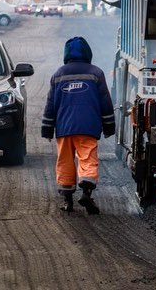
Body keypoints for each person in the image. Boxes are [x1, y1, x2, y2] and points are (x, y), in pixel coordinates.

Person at [41, 36, 115, 214]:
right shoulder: (96, 73)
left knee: (65, 161)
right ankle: (87, 192)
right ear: (88, 53)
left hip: (64, 127)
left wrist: (47, 128)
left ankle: (68, 201)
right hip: (88, 127)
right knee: (87, 159)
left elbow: (50, 104)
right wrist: (109, 126)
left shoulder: (58, 74)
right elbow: (105, 102)